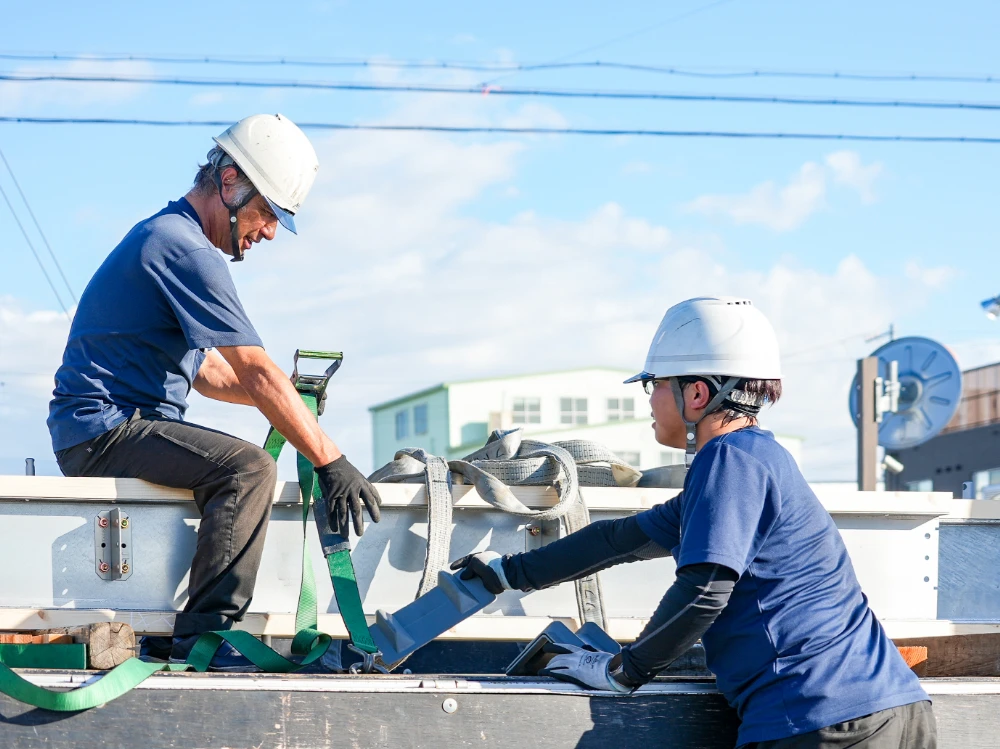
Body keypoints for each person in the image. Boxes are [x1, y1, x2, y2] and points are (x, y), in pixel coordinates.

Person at [452, 297, 936, 748]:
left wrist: (625, 669)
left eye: (655, 385)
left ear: (697, 393)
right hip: (893, 709)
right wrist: (509, 572)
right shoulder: (755, 460)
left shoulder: (728, 460)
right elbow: (620, 540)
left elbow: (706, 589)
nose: (649, 400)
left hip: (820, 718)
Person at [48, 114, 381, 671]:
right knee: (248, 469)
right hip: (104, 428)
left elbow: (207, 375)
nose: (269, 232)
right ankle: (206, 638)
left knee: (238, 461)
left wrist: (287, 401)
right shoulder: (185, 248)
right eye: (267, 213)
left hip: (106, 426)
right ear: (230, 183)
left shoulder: (167, 234)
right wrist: (330, 458)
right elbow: (253, 369)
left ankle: (184, 632)